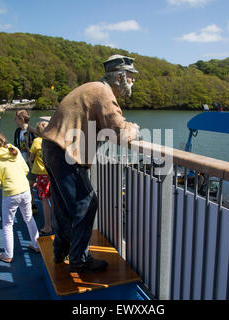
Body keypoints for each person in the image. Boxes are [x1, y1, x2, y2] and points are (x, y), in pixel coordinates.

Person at [42, 54, 140, 273]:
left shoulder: (94, 87)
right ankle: (79, 259)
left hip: (52, 147)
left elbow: (106, 128)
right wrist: (134, 128)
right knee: (86, 205)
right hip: (65, 152)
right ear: (121, 77)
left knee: (64, 207)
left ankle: (61, 252)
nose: (133, 82)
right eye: (131, 77)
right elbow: (120, 132)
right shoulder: (103, 93)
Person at [0, 131, 39, 263]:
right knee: (29, 218)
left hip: (11, 193)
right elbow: (26, 169)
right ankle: (36, 245)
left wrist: (2, 185)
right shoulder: (13, 148)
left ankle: (8, 254)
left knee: (8, 224)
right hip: (25, 189)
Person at [29, 121, 53, 236]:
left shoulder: (37, 141)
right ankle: (56, 222)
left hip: (42, 175)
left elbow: (31, 157)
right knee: (53, 199)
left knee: (44, 200)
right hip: (52, 173)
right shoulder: (53, 141)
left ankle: (47, 226)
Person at [13, 110, 38, 213]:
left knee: (29, 184)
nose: (14, 120)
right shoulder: (17, 131)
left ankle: (32, 205)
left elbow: (37, 146)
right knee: (26, 184)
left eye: (16, 118)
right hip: (21, 162)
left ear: (21, 119)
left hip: (30, 162)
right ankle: (30, 204)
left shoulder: (32, 131)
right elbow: (16, 145)